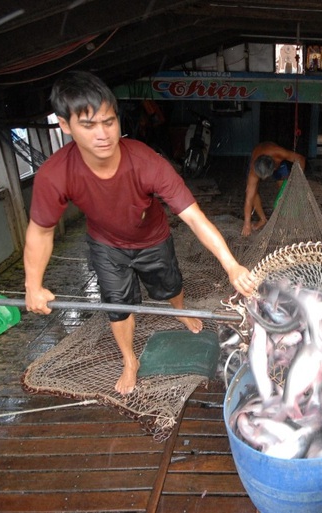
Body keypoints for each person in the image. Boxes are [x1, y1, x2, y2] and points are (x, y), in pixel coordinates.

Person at [24, 70, 255, 396]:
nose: (102, 134)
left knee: (170, 286)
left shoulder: (148, 163)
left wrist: (231, 265)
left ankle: (180, 310)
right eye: (88, 126)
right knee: (118, 305)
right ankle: (130, 360)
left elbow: (195, 219)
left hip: (152, 238)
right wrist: (33, 285)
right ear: (65, 125)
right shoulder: (55, 174)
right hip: (106, 244)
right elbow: (41, 232)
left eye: (109, 122)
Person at [242, 141, 306, 236]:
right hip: (258, 160)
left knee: (286, 190)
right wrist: (247, 223)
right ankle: (262, 219)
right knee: (253, 192)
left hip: (278, 163)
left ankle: (288, 217)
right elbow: (249, 199)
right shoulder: (254, 170)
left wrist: (297, 178)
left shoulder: (279, 153)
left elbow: (301, 159)